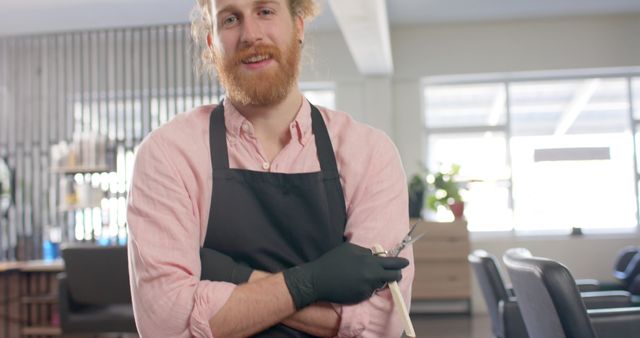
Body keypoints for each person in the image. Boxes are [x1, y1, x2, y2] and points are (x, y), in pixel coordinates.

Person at [126, 0, 415, 337]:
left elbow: (383, 322)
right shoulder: (168, 154)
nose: (251, 34)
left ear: (299, 27)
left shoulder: (369, 153)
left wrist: (235, 276)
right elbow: (166, 324)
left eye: (265, 11)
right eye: (231, 18)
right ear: (212, 45)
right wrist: (313, 282)